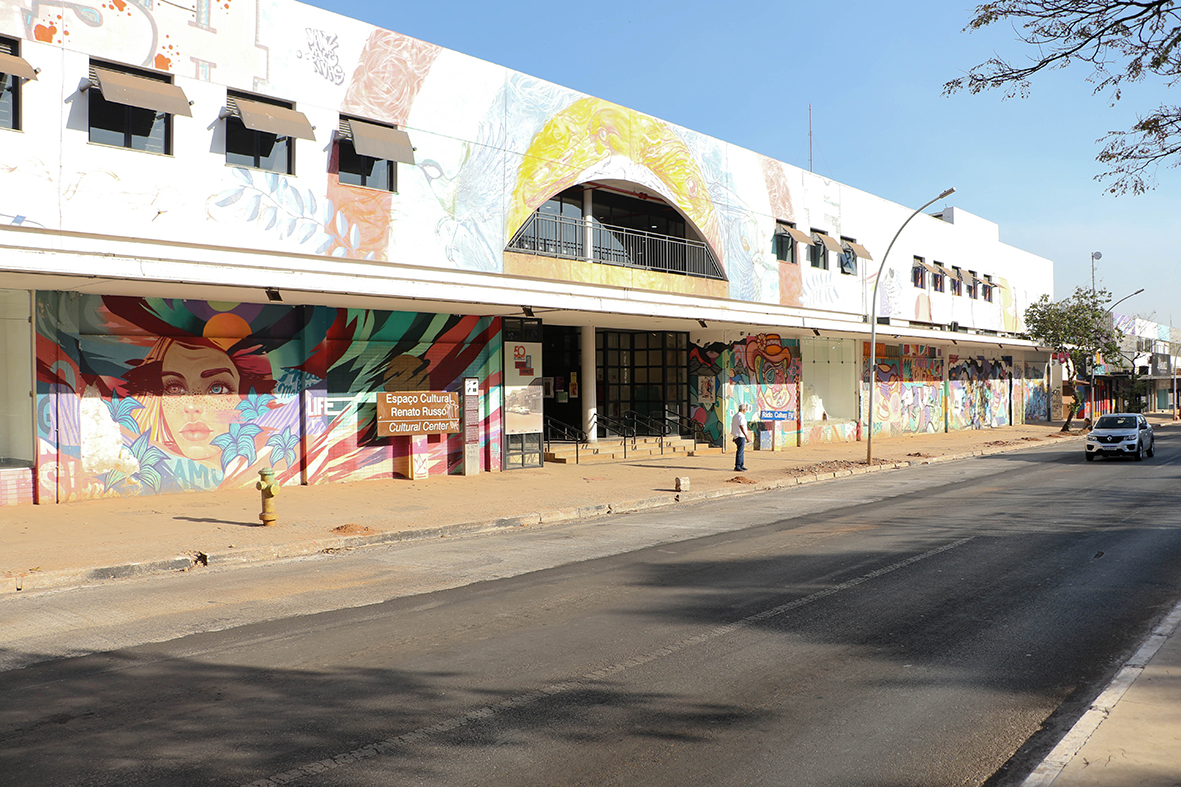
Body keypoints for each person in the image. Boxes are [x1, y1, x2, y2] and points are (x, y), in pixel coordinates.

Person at [731, 402, 750, 472]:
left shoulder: (736, 416)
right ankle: (738, 466)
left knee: (741, 451)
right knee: (740, 451)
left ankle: (741, 465)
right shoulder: (740, 416)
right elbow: (741, 426)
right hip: (740, 436)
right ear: (744, 409)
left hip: (737, 435)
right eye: (745, 409)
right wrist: (746, 436)